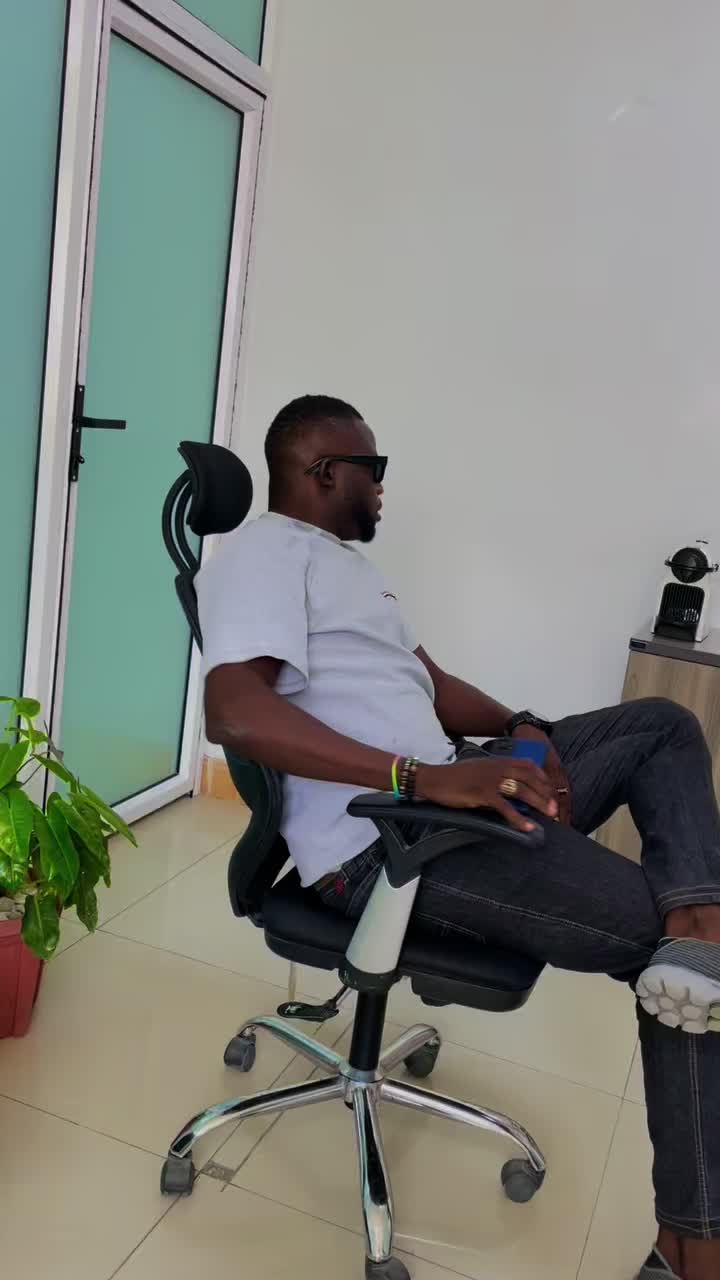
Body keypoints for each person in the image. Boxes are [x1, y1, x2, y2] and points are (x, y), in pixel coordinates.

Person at [197, 395, 720, 1280]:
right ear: (323, 471)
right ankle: (696, 1248)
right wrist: (422, 780)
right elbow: (234, 712)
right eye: (374, 469)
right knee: (675, 962)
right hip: (389, 839)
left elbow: (429, 685)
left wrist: (522, 726)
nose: (383, 487)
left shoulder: (345, 568)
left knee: (661, 725)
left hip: (449, 784)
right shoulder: (262, 555)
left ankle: (699, 923)